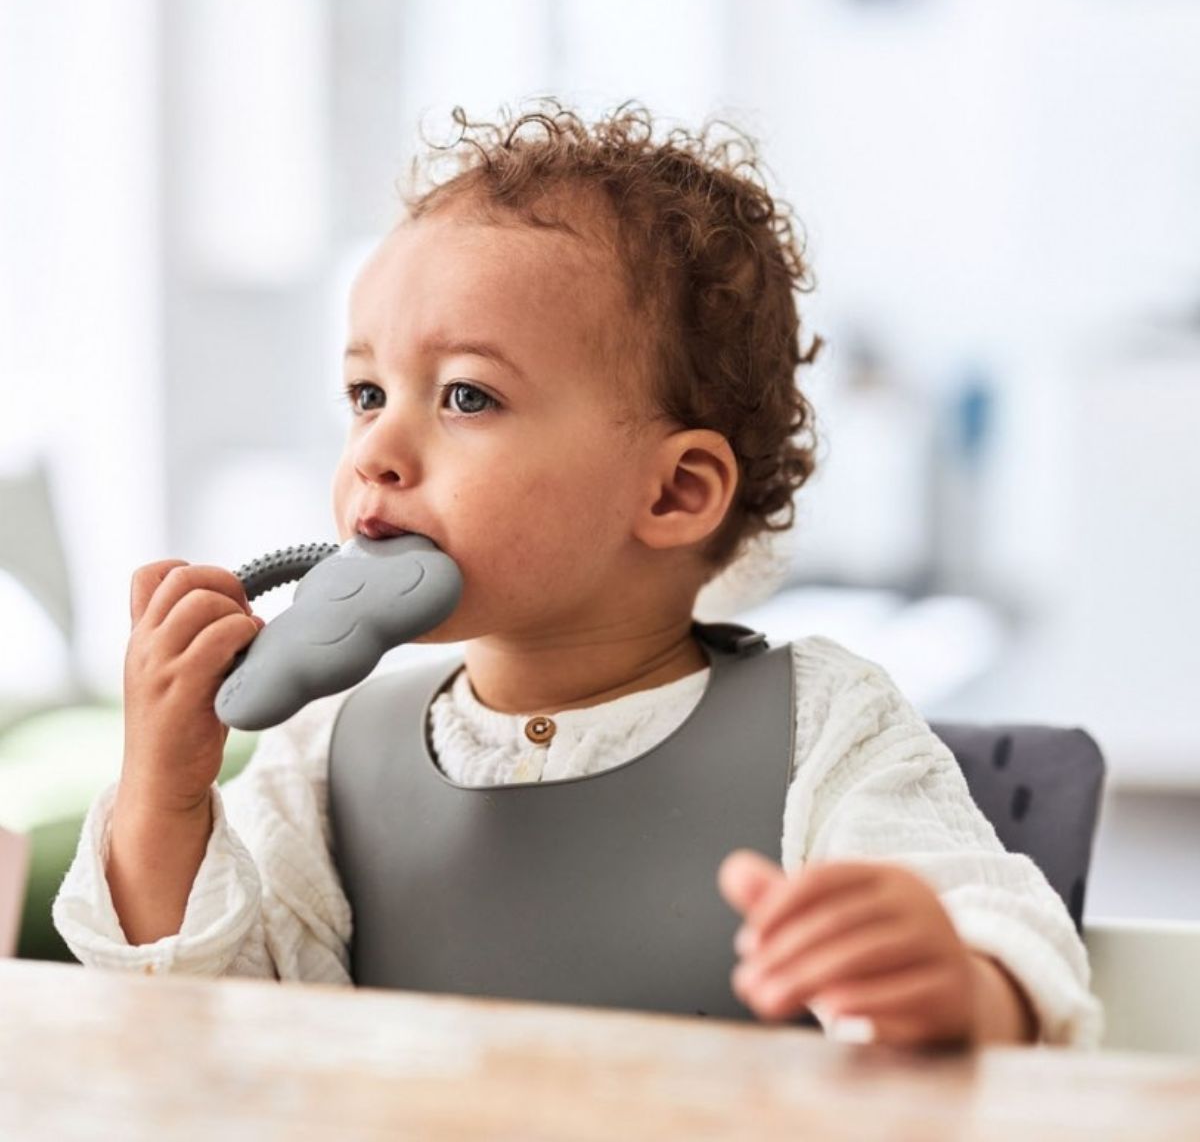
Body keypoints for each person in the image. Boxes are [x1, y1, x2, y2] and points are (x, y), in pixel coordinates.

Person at [53, 102, 1101, 1049]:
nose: (377, 449)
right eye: (367, 393)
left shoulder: (822, 725)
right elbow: (207, 1027)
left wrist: (954, 986)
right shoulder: (325, 754)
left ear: (675, 493)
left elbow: (1001, 934)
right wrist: (165, 795)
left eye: (465, 398)